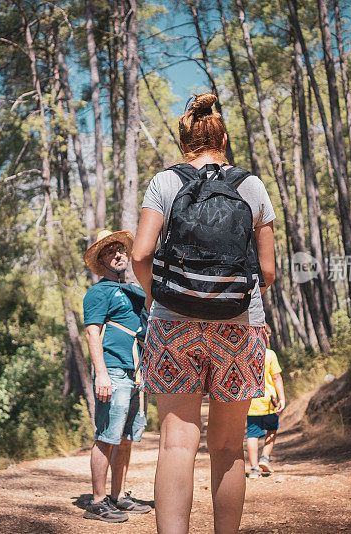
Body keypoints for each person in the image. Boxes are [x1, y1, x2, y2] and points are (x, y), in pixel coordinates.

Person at [131, 93, 276, 534]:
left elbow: (140, 253)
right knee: (230, 446)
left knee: (177, 445)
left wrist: (163, 296)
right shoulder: (250, 185)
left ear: (183, 140)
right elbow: (267, 270)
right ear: (224, 138)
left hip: (173, 326)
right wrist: (235, 296)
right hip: (238, 326)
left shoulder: (165, 182)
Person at [82, 229, 152, 523]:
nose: (118, 254)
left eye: (120, 250)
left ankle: (118, 496)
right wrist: (101, 375)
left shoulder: (135, 291)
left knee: (125, 438)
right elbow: (92, 333)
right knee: (107, 436)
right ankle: (98, 502)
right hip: (112, 372)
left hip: (135, 374)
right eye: (110, 251)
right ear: (101, 260)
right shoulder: (98, 292)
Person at [245, 347, 285, 479]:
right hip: (269, 402)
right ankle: (265, 457)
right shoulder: (269, 354)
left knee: (252, 434)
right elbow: (276, 376)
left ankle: (254, 469)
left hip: (251, 402)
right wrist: (282, 398)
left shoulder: (245, 353)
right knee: (272, 430)